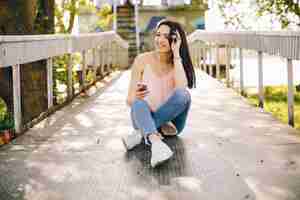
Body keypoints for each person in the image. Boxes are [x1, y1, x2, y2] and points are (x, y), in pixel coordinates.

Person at [123, 19, 196, 168]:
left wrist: (176, 55)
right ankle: (156, 143)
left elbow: (182, 89)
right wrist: (136, 96)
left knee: (184, 95)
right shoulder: (141, 60)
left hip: (173, 124)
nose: (160, 40)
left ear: (175, 40)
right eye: (158, 35)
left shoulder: (178, 63)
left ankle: (140, 134)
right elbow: (129, 100)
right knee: (138, 103)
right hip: (143, 115)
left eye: (166, 36)